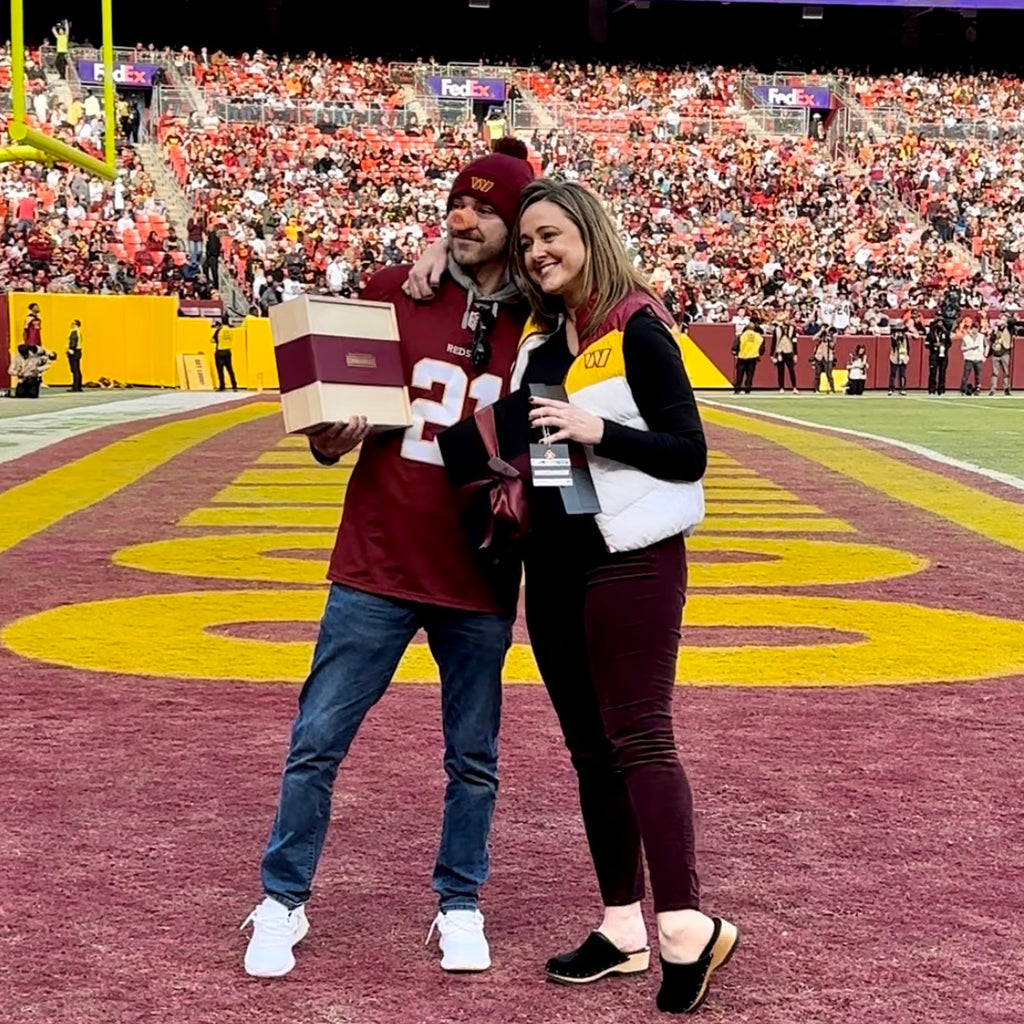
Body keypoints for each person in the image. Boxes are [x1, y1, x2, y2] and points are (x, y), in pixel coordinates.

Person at [242, 140, 535, 979]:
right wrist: (329, 442)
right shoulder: (390, 291)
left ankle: (459, 902)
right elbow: (335, 431)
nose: (463, 215)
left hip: (480, 569)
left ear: (518, 225)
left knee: (473, 757)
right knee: (317, 741)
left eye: (485, 207)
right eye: (458, 203)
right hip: (377, 556)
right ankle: (282, 899)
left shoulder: (544, 321)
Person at [512, 180, 738, 1015]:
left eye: (551, 235)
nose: (538, 252)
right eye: (528, 241)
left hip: (634, 558)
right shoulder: (540, 342)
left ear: (588, 233)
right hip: (556, 565)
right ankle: (622, 927)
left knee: (641, 738)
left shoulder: (637, 326)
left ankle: (685, 925)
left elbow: (689, 453)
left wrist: (597, 429)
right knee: (589, 752)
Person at [732, 318, 764, 394]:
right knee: (750, 375)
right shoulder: (759, 337)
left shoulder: (741, 336)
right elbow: (762, 348)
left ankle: (737, 389)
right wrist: (758, 354)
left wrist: (735, 353)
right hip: (753, 358)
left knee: (739, 374)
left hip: (742, 357)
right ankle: (748, 389)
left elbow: (735, 346)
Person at [770, 315, 799, 392]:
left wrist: (795, 354)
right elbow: (773, 342)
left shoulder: (792, 329)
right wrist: (771, 355)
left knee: (791, 370)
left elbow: (794, 342)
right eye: (786, 319)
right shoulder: (776, 330)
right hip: (780, 351)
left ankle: (794, 387)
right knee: (780, 371)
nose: (788, 320)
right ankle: (781, 387)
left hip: (789, 351)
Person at [211, 315, 238, 392]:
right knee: (230, 369)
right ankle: (234, 386)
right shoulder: (230, 330)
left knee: (220, 370)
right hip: (228, 351)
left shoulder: (219, 330)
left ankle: (222, 386)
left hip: (220, 351)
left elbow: (212, 340)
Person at [926, 317, 950, 395]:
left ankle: (941, 389)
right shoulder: (931, 332)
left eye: (941, 322)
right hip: (934, 354)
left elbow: (949, 343)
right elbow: (926, 344)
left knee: (942, 373)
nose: (940, 324)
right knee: (933, 372)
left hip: (943, 355)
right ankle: (932, 389)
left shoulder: (945, 332)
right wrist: (933, 345)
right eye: (939, 322)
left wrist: (944, 347)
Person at [888, 321, 911, 395]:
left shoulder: (905, 338)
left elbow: (908, 348)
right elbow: (893, 345)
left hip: (903, 357)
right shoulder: (893, 337)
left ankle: (902, 388)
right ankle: (891, 388)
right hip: (895, 357)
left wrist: (906, 356)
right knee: (893, 373)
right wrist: (895, 338)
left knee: (902, 374)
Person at [811, 329, 836, 394]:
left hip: (828, 358)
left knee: (829, 374)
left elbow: (832, 345)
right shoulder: (819, 339)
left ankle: (832, 389)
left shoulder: (831, 338)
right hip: (819, 357)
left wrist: (829, 338)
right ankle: (816, 389)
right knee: (817, 374)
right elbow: (813, 338)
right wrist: (821, 331)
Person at [67, 319, 83, 392]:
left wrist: (70, 349)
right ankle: (78, 386)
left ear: (76, 325)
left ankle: (75, 386)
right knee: (78, 369)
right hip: (79, 351)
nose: (72, 325)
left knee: (74, 369)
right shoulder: (79, 332)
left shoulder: (74, 332)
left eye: (73, 324)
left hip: (74, 351)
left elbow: (73, 341)